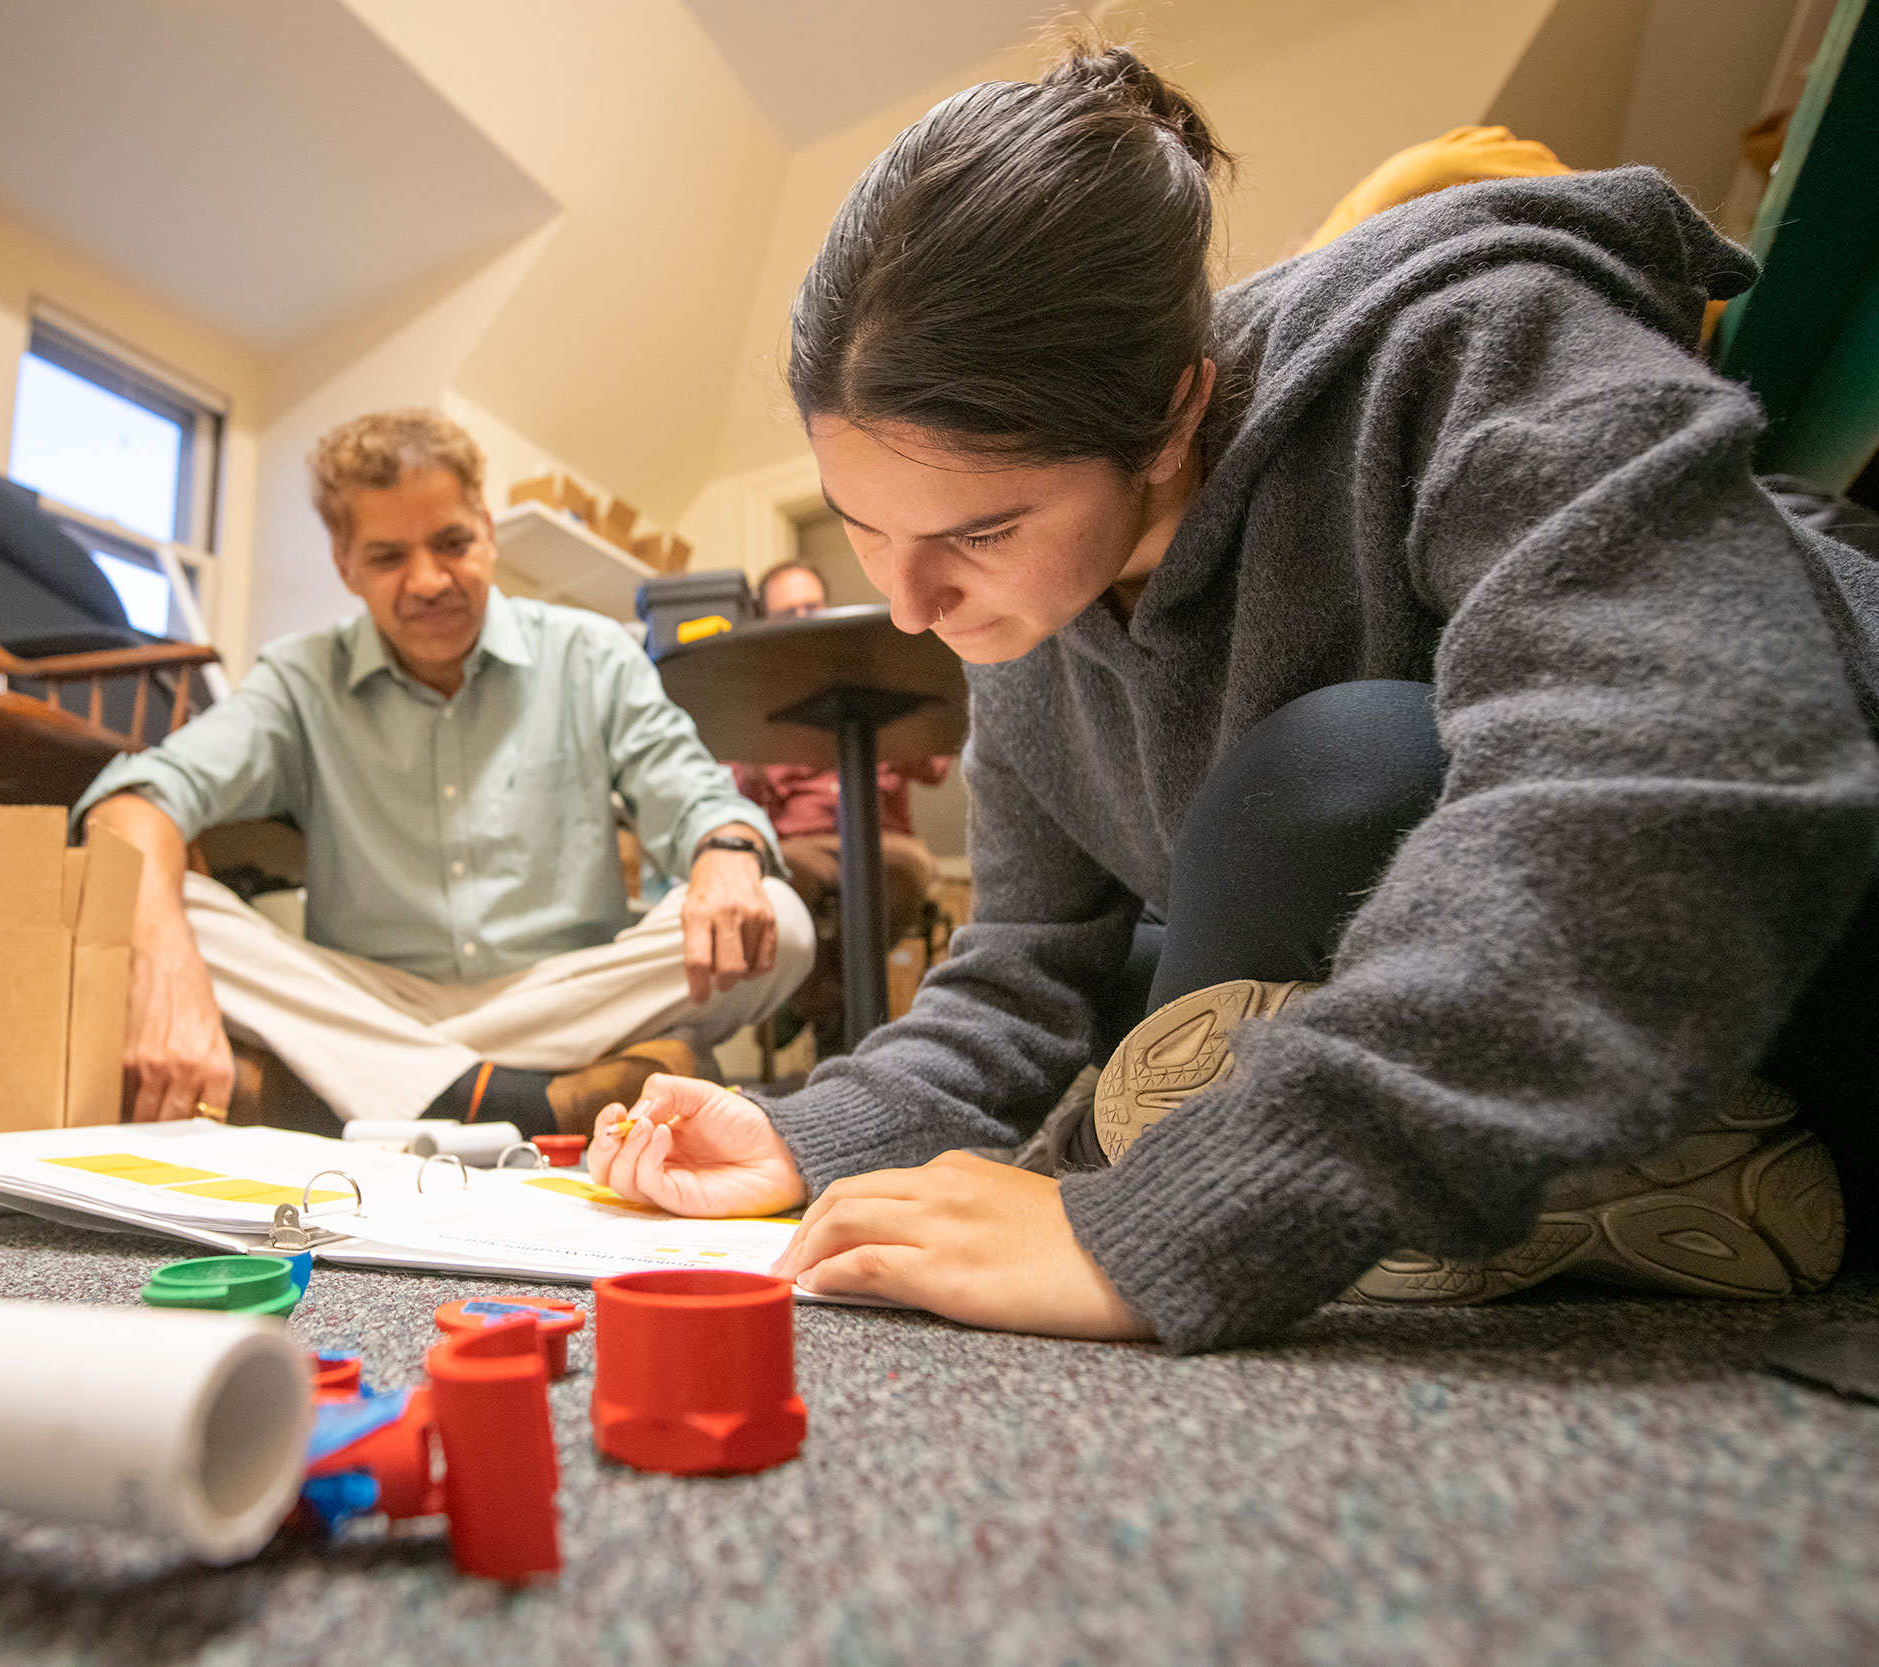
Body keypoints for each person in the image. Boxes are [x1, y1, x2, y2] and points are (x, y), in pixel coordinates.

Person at [582, 41, 1879, 1353]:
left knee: (1328, 779)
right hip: (1589, 1018)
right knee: (1156, 964)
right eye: (862, 526)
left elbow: (1678, 760)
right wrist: (802, 1131)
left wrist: (1184, 1215)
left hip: (1808, 922)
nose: (912, 606)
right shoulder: (1021, 635)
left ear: (1172, 415)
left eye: (980, 529)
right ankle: (1578, 1162)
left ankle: (1449, 1160)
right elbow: (1025, 972)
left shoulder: (1462, 331)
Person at [77, 409, 813, 1136]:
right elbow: (132, 802)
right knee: (172, 908)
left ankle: (376, 1091)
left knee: (780, 919)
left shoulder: (591, 653)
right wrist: (165, 954)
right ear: (346, 564)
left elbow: (690, 791)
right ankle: (520, 1101)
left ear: (488, 533)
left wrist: (725, 848)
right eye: (389, 556)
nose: (428, 580)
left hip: (562, 991)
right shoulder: (300, 677)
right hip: (374, 996)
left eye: (452, 542)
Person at [731, 559, 953, 1042]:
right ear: (768, 623)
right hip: (797, 844)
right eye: (790, 613)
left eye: (813, 606)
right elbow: (739, 800)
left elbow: (935, 765)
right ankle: (835, 1016)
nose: (806, 619)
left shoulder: (879, 671)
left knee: (898, 874)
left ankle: (812, 1004)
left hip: (884, 842)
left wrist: (890, 713)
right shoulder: (754, 696)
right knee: (781, 881)